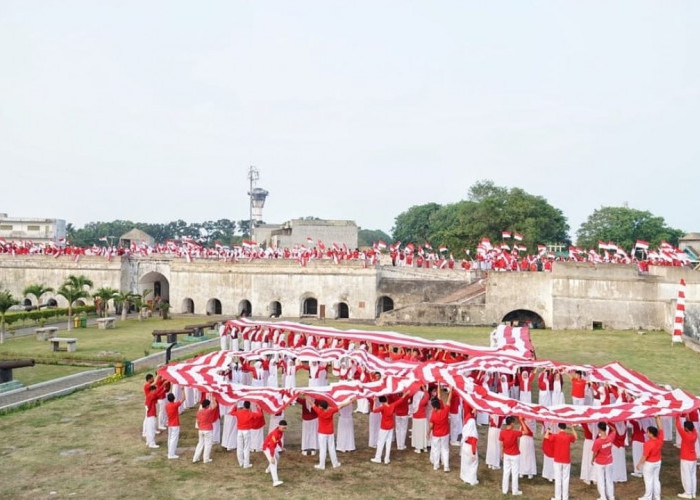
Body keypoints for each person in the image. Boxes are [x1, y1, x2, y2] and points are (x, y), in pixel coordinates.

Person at [545, 422, 577, 500]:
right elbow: (576, 437)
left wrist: (550, 426)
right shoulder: (568, 437)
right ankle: (565, 497)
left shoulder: (555, 436)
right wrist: (572, 427)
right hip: (566, 460)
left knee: (558, 479)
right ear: (565, 428)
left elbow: (546, 436)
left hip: (557, 460)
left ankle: (558, 497)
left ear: (559, 428)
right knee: (566, 479)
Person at [314, 398, 349, 470]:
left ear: (321, 407)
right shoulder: (331, 411)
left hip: (322, 433)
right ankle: (335, 463)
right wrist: (350, 401)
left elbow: (311, 403)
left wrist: (305, 396)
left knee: (323, 449)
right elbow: (341, 405)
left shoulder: (319, 411)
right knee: (332, 448)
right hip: (330, 432)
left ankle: (322, 465)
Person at [371, 393, 404, 465]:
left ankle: (378, 458)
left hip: (384, 427)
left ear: (381, 402)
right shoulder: (392, 405)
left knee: (380, 442)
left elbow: (374, 410)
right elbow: (400, 400)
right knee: (388, 443)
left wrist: (374, 401)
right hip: (391, 426)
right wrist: (406, 394)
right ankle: (387, 459)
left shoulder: (383, 408)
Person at [636, 416, 663, 500]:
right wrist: (657, 418)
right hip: (657, 462)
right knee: (656, 479)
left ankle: (648, 497)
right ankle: (657, 496)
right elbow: (661, 428)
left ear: (651, 434)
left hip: (649, 464)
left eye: (648, 432)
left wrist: (639, 464)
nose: (647, 433)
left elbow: (644, 456)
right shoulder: (660, 439)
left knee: (648, 480)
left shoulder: (648, 444)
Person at [500, 415, 525, 496]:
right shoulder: (515, 433)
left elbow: (501, 444)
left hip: (506, 454)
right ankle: (515, 491)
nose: (514, 424)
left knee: (506, 473)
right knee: (514, 473)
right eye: (514, 422)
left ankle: (504, 490)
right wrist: (522, 421)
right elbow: (526, 431)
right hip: (515, 455)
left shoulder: (502, 432)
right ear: (511, 423)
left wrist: (502, 454)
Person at [428, 387, 451, 472]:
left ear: (434, 407)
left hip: (436, 435)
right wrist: (451, 390)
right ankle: (446, 466)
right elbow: (448, 400)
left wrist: (428, 433)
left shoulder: (433, 414)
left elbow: (431, 426)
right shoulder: (445, 411)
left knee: (436, 449)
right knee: (445, 449)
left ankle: (436, 465)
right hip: (445, 434)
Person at [675, 414, 698, 499]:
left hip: (686, 458)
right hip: (693, 458)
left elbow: (678, 425)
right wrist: (688, 417)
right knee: (692, 475)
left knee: (686, 476)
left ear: (686, 428)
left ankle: (688, 493)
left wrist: (676, 415)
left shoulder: (685, 435)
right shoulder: (694, 433)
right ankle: (693, 492)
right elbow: (691, 426)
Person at [591, 422, 615, 500]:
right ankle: (611, 496)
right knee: (609, 480)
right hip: (609, 462)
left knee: (600, 480)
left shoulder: (598, 441)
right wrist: (608, 424)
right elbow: (614, 431)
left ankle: (603, 497)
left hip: (600, 463)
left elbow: (595, 452)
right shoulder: (610, 438)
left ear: (599, 429)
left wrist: (592, 460)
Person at [192, 397, 219, 463]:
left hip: (201, 429)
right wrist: (213, 398)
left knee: (200, 444)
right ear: (207, 406)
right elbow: (215, 405)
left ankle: (195, 458)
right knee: (208, 444)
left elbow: (198, 421)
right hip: (208, 429)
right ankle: (206, 459)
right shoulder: (208, 411)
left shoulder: (199, 412)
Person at [262, 419, 287, 487]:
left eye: (285, 428)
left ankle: (268, 469)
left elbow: (278, 440)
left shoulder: (280, 432)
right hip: (267, 448)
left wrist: (281, 447)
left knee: (277, 457)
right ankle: (275, 481)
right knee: (274, 462)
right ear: (279, 426)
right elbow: (272, 446)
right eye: (283, 428)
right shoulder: (275, 433)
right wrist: (272, 457)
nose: (284, 429)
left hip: (271, 447)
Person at [460, 413, 479, 485]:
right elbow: (473, 444)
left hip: (465, 446)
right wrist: (474, 453)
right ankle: (472, 480)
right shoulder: (473, 433)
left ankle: (465, 477)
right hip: (470, 448)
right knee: (473, 463)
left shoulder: (465, 430)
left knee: (465, 463)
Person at [165, 391, 185, 459]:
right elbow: (183, 398)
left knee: (170, 438)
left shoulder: (167, 406)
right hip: (175, 424)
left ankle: (170, 451)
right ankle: (171, 454)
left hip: (170, 424)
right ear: (174, 398)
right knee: (174, 439)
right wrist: (183, 390)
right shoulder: (175, 405)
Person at [410, 385, 430, 453]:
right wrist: (424, 388)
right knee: (424, 432)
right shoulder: (422, 402)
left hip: (416, 418)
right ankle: (425, 447)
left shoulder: (416, 403)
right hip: (423, 418)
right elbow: (427, 395)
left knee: (418, 433)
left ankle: (418, 448)